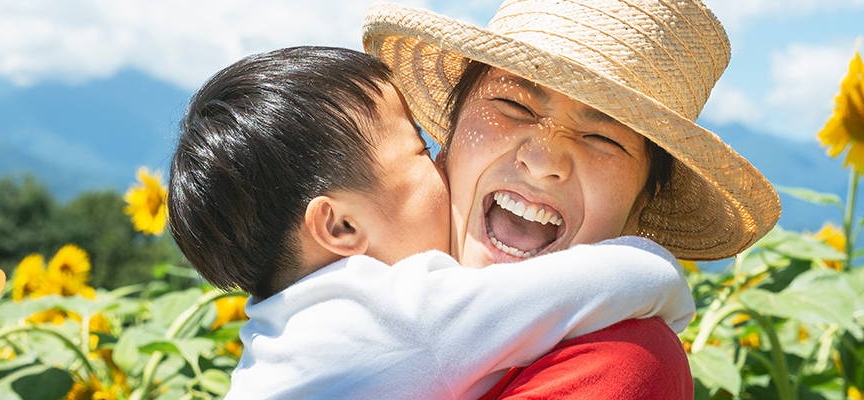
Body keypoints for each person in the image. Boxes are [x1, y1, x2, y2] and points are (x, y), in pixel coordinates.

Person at [166, 46, 695, 399]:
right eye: (421, 151)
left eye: (603, 138)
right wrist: (659, 272)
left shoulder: (278, 336)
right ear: (342, 228)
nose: (543, 160)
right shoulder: (403, 310)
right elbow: (620, 280)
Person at [363, 0, 783, 397]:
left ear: (640, 210)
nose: (544, 160)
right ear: (446, 144)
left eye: (601, 137)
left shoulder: (623, 360)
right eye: (513, 105)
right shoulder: (354, 272)